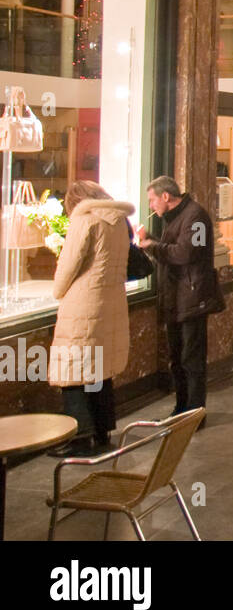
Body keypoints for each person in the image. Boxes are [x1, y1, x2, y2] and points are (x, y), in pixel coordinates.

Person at [48, 181, 135, 456]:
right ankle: (102, 429)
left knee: (72, 372)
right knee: (99, 369)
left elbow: (68, 264)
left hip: (83, 304)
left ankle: (79, 437)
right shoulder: (119, 222)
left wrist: (57, 291)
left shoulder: (85, 220)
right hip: (111, 302)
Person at [137, 176, 223, 422]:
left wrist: (151, 245)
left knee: (191, 359)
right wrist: (150, 239)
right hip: (176, 298)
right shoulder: (174, 218)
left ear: (166, 197)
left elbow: (186, 253)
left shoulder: (196, 217)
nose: (151, 206)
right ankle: (181, 409)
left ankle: (195, 414)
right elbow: (173, 248)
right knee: (177, 358)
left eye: (153, 200)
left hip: (193, 299)